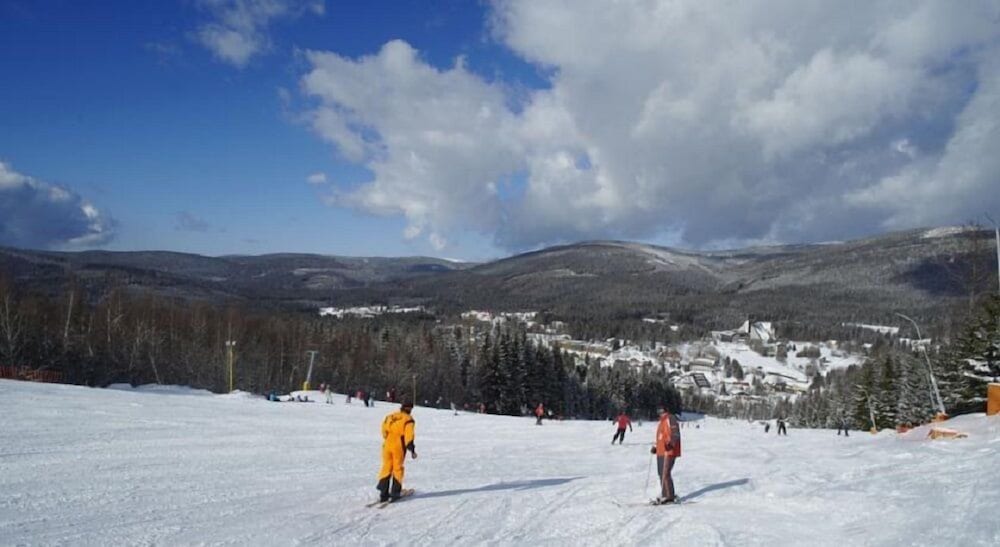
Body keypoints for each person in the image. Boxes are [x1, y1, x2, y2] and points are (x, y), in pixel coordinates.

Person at [376, 398, 417, 503]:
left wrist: (387, 437)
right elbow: (409, 436)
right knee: (397, 468)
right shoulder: (408, 419)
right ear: (410, 409)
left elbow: (384, 429)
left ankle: (383, 493)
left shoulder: (391, 416)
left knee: (386, 467)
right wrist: (411, 448)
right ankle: (395, 493)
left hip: (387, 443)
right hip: (398, 445)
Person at [650, 405, 681, 504]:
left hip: (668, 451)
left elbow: (675, 433)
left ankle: (669, 496)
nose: (660, 412)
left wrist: (671, 444)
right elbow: (661, 437)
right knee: (661, 473)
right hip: (661, 451)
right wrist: (656, 447)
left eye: (661, 410)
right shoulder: (661, 421)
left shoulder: (670, 418)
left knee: (665, 473)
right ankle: (665, 494)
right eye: (658, 410)